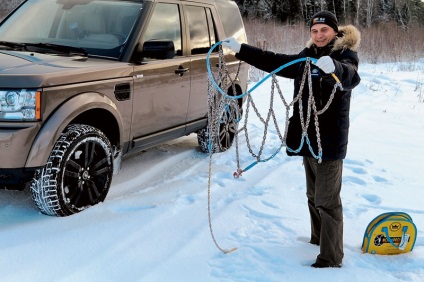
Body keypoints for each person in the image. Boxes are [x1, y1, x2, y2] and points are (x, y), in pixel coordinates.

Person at [222, 11, 361, 268]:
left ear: (334, 31)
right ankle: (317, 238)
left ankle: (331, 258)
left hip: (330, 140)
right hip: (307, 136)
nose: (319, 36)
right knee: (312, 194)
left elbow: (352, 76)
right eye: (315, 31)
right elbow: (275, 61)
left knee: (328, 201)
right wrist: (242, 50)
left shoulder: (344, 55)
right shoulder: (307, 56)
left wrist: (337, 69)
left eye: (324, 31)